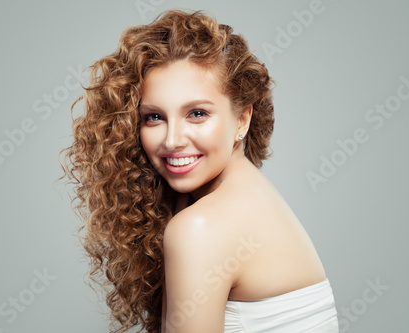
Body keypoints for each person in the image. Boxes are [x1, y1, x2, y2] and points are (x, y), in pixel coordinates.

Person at [60, 9, 339, 333]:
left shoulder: (201, 227)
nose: (172, 140)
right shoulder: (252, 197)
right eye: (154, 117)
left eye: (196, 113)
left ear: (242, 119)